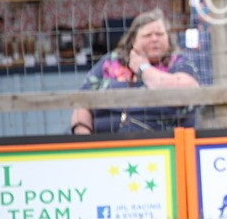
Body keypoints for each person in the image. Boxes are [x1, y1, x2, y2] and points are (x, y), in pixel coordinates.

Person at [70, 9, 199, 134]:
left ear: (168, 38)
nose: (154, 39)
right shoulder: (110, 62)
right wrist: (83, 134)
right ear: (133, 40)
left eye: (160, 34)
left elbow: (187, 90)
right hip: (104, 143)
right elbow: (82, 100)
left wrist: (143, 68)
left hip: (162, 143)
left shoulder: (179, 62)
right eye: (147, 35)